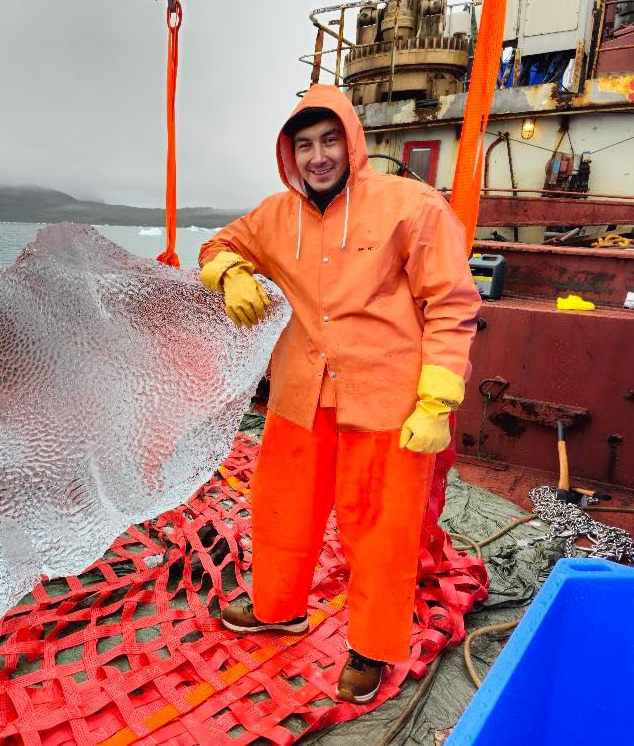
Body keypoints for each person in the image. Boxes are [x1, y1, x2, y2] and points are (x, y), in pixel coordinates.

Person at [198, 84, 480, 704]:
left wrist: (437, 400)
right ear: (288, 154)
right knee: (280, 511)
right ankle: (277, 608)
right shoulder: (274, 215)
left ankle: (371, 650)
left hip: (387, 402)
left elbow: (452, 302)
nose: (318, 156)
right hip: (300, 396)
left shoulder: (413, 205)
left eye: (330, 140)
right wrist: (232, 272)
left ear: (352, 141)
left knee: (380, 531)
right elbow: (215, 245)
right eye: (304, 145)